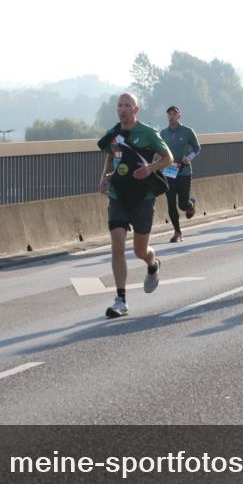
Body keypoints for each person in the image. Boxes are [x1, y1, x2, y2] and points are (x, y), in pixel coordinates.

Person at [96, 93, 173, 318]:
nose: (123, 109)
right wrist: (104, 177)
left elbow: (168, 157)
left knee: (140, 250)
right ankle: (120, 299)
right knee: (117, 244)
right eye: (120, 105)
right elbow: (111, 157)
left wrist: (150, 168)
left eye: (127, 105)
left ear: (136, 110)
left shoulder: (148, 133)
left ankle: (152, 263)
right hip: (118, 194)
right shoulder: (114, 134)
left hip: (142, 197)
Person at [159, 106, 201, 243]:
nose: (171, 116)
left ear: (179, 116)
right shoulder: (163, 133)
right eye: (169, 114)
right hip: (169, 171)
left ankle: (191, 204)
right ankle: (177, 232)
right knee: (171, 203)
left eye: (174, 114)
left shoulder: (188, 131)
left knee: (182, 205)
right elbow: (159, 149)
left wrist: (189, 157)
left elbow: (197, 148)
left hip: (184, 171)